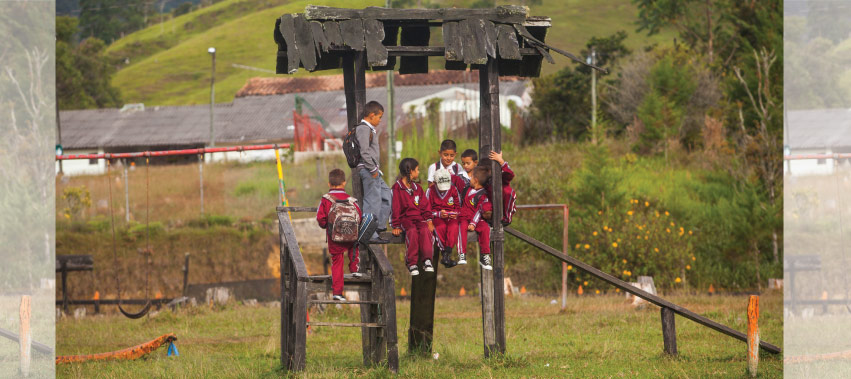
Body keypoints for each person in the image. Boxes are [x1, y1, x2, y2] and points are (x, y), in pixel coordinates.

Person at [316, 169, 362, 301]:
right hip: (351, 236)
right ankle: (354, 269)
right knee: (354, 246)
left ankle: (337, 292)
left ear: (329, 184)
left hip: (334, 237)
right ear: (344, 183)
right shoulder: (352, 200)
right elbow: (359, 217)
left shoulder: (326, 199)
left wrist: (326, 226)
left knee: (337, 262)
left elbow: (320, 219)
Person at [390, 158, 435, 276]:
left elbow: (425, 206)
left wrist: (429, 220)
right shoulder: (397, 188)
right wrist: (396, 225)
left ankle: (427, 260)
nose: (419, 172)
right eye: (417, 170)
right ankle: (412, 263)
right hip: (406, 219)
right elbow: (395, 208)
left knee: (425, 230)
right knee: (412, 231)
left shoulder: (418, 188)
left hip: (419, 218)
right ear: (411, 172)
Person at [356, 101, 392, 241]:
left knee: (386, 194)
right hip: (368, 169)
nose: (380, 120)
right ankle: (369, 232)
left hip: (374, 170)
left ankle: (378, 226)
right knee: (372, 200)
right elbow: (364, 151)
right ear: (371, 115)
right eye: (379, 117)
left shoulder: (369, 129)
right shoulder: (363, 129)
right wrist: (372, 169)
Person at [458, 166, 493, 269]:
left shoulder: (483, 195)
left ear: (476, 180)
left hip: (477, 219)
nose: (470, 179)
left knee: (485, 228)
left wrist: (473, 223)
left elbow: (480, 210)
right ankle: (462, 253)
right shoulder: (467, 188)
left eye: (472, 177)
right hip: (464, 217)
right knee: (462, 226)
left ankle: (485, 255)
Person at [426, 168, 461, 268]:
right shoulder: (430, 191)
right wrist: (438, 214)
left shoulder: (454, 190)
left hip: (451, 217)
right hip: (437, 217)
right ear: (435, 183)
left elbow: (458, 208)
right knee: (440, 227)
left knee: (454, 227)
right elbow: (426, 211)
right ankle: (444, 253)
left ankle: (447, 253)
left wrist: (455, 213)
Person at [480, 151, 517, 226]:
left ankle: (507, 218)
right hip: (490, 207)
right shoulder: (483, 180)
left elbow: (510, 174)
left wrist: (501, 162)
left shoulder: (500, 176)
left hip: (504, 204)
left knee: (508, 192)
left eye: (487, 170)